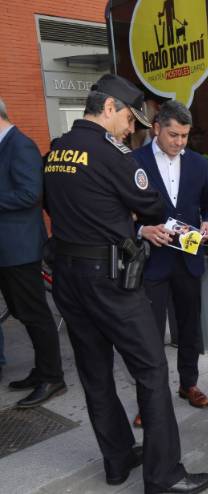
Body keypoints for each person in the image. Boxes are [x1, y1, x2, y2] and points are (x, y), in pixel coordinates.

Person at [42, 74, 208, 493]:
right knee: (152, 368)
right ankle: (164, 475)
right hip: (109, 278)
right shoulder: (111, 153)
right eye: (129, 119)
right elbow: (151, 204)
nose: (131, 128)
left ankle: (117, 460)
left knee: (94, 371)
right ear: (108, 108)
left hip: (68, 276)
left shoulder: (56, 151)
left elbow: (50, 203)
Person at [131, 100, 208, 426]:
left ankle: (189, 384)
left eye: (184, 136)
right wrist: (141, 230)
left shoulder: (197, 163)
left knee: (189, 327)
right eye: (173, 135)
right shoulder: (134, 162)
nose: (180, 142)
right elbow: (117, 211)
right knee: (149, 335)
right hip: (151, 263)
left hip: (188, 259)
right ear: (157, 128)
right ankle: (150, 400)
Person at [0, 97, 66, 408]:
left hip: (21, 249)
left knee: (35, 314)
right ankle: (41, 370)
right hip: (8, 250)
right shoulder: (6, 145)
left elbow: (30, 194)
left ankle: (53, 377)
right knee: (22, 312)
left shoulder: (20, 145)